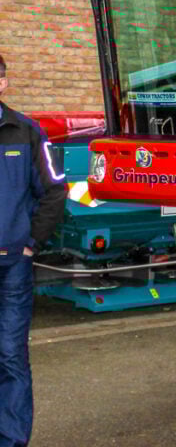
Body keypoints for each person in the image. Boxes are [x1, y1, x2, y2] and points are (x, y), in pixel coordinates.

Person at [0, 54, 67, 447]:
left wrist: (30, 244)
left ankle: (11, 440)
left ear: (3, 84)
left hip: (12, 267)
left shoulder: (26, 132)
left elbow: (55, 191)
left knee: (9, 355)